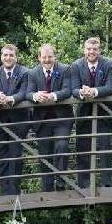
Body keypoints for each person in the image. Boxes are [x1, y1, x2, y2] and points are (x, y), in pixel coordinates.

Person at [26, 44, 73, 192]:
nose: (47, 60)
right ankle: (47, 189)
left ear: (55, 57)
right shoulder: (33, 73)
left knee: (62, 146)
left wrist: (53, 96)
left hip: (62, 119)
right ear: (39, 57)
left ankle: (60, 181)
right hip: (42, 120)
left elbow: (67, 90)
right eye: (44, 57)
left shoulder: (65, 69)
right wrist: (35, 96)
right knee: (44, 154)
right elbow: (28, 93)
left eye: (50, 57)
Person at [70, 37, 112, 188]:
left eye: (95, 49)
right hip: (83, 114)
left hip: (104, 113)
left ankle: (106, 184)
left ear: (99, 50)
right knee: (82, 148)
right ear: (84, 50)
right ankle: (83, 185)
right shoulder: (76, 65)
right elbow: (73, 89)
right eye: (88, 49)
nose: (91, 52)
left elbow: (110, 87)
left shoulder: (109, 64)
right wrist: (83, 93)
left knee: (105, 149)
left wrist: (94, 91)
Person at [0, 44, 29, 195]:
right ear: (1, 56)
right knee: (2, 156)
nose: (8, 58)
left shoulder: (25, 72)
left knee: (16, 156)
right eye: (5, 55)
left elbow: (24, 93)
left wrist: (10, 99)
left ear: (16, 57)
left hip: (19, 122)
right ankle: (5, 193)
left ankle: (14, 192)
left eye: (11, 55)